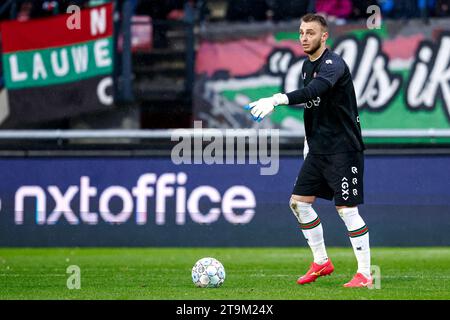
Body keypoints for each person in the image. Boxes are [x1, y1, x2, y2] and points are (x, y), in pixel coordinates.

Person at [244, 13, 372, 288]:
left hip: (343, 149)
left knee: (346, 209)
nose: (304, 38)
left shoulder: (333, 64)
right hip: (318, 149)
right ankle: (321, 261)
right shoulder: (306, 65)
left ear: (324, 36)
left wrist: (277, 99)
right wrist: (308, 143)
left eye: (310, 33)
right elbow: (313, 110)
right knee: (299, 203)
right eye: (301, 32)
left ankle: (365, 274)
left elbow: (315, 91)